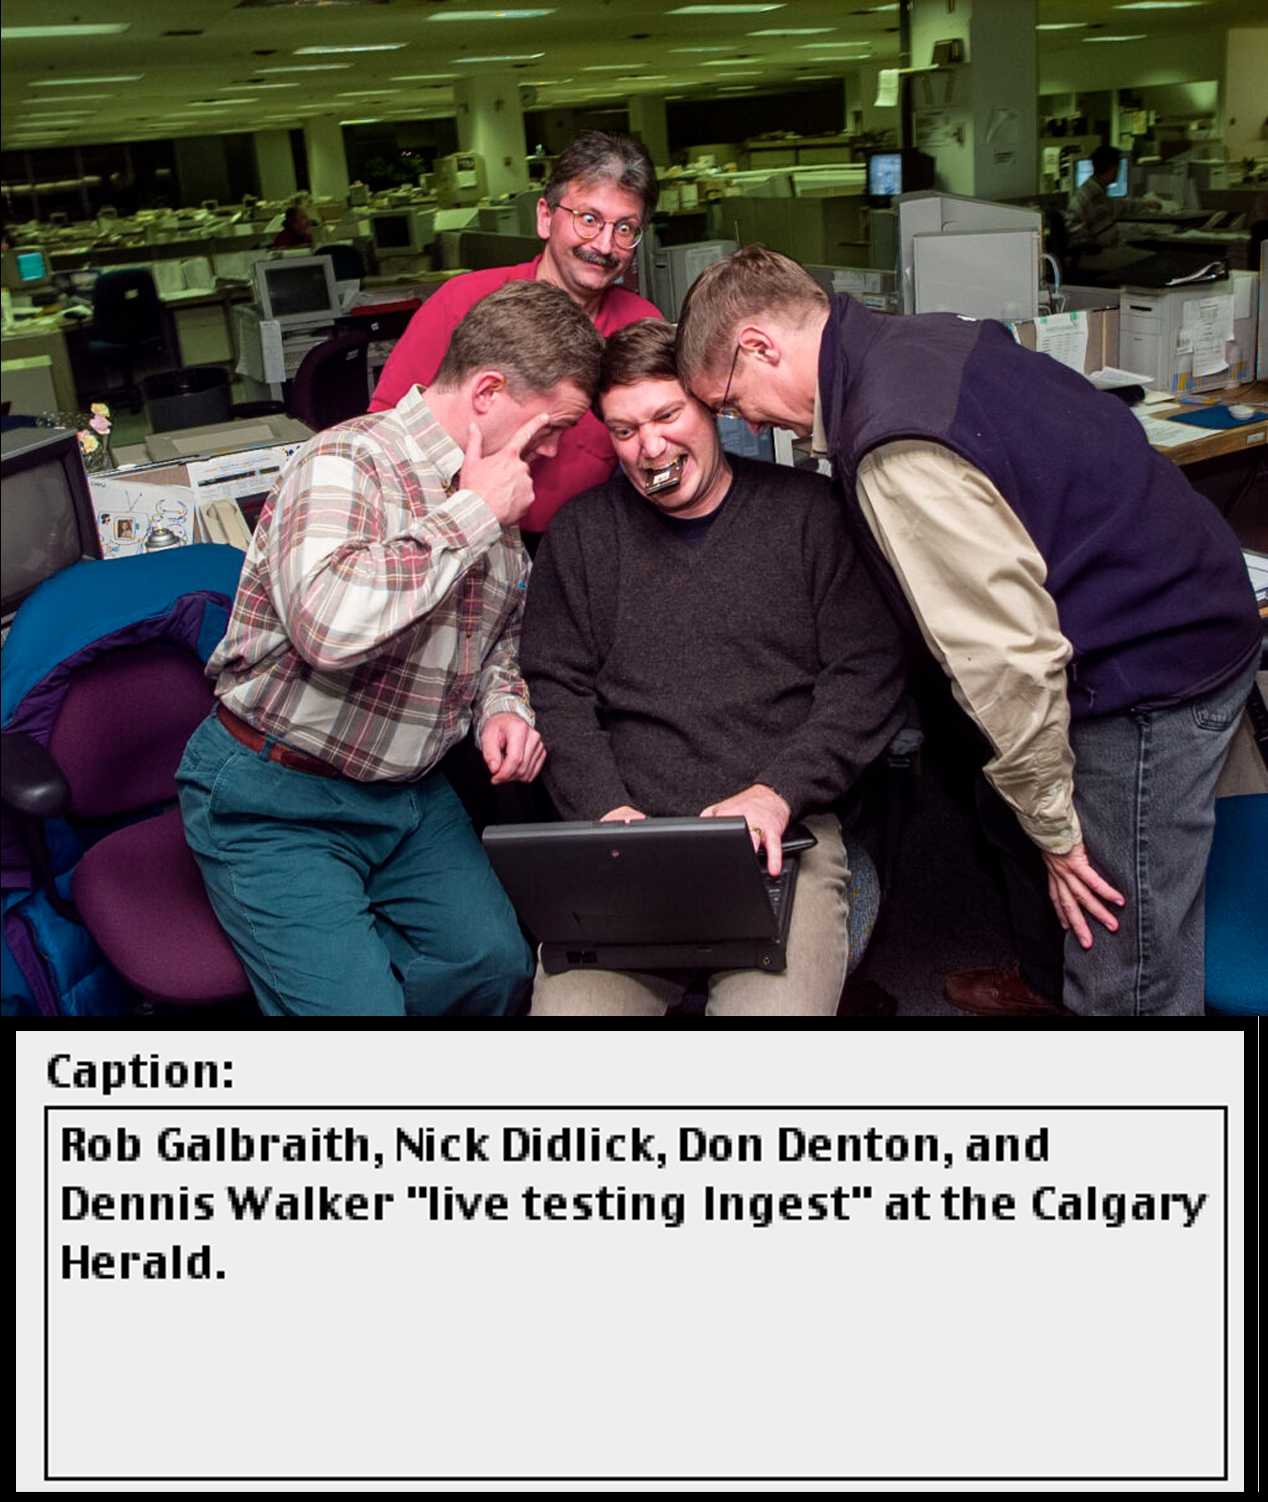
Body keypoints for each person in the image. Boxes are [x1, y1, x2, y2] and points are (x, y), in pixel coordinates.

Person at [675, 245, 1260, 1019]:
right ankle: (1060, 992)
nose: (744, 421)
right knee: (1012, 814)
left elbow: (1009, 661)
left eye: (730, 399)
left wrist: (1057, 828)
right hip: (1176, 601)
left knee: (1124, 945)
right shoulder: (917, 339)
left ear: (759, 345)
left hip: (1147, 670)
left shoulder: (892, 441)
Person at [176, 280, 603, 1018]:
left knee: (497, 969)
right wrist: (471, 515)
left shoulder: (491, 486)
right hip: (278, 795)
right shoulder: (346, 463)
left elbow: (500, 629)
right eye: (550, 427)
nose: (557, 448)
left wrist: (502, 708)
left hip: (407, 792)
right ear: (488, 392)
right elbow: (329, 629)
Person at [519, 319, 906, 1017]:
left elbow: (867, 676)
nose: (651, 446)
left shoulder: (808, 515)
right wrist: (603, 810)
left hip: (780, 835)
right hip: (625, 845)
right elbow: (555, 689)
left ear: (711, 409)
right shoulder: (580, 535)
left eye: (668, 415)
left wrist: (779, 790)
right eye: (625, 430)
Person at [370, 130, 662, 545]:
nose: (604, 244)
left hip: (573, 544)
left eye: (625, 228)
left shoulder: (640, 324)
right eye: (589, 219)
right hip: (454, 533)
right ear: (545, 217)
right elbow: (383, 434)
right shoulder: (462, 302)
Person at [1063, 145, 1159, 269]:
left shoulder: (1091, 189)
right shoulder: (1094, 195)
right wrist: (1142, 236)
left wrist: (1145, 204)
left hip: (1086, 252)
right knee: (1153, 261)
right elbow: (1109, 239)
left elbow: (1117, 205)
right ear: (1114, 168)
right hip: (1090, 255)